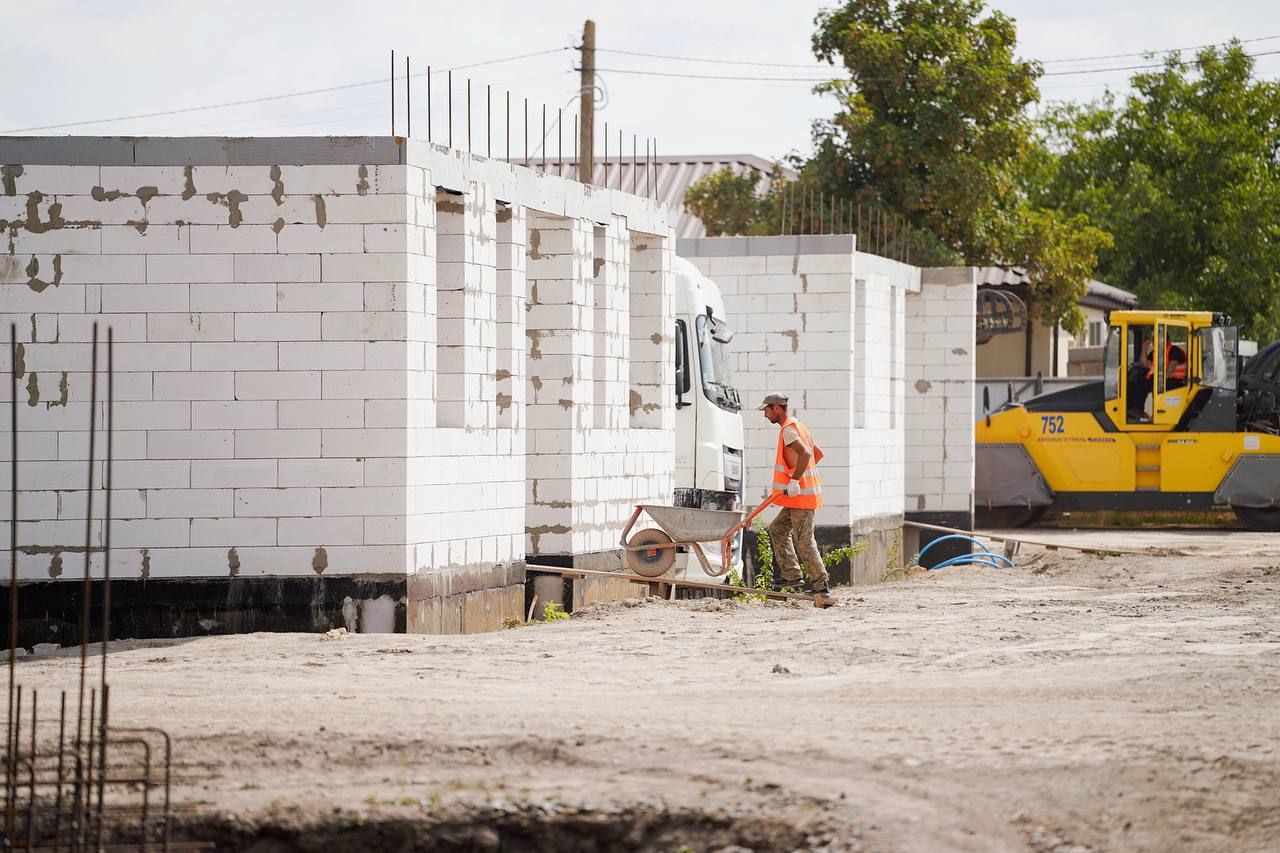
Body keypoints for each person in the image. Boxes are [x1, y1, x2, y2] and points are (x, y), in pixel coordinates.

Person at [757, 393, 834, 606]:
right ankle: (792, 576)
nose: (765, 414)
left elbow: (807, 454)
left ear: (777, 408)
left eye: (767, 410)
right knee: (778, 529)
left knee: (804, 539)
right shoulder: (798, 425)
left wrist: (795, 480)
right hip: (797, 496)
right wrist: (799, 478)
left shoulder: (788, 430)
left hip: (801, 497)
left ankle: (821, 586)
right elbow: (817, 453)